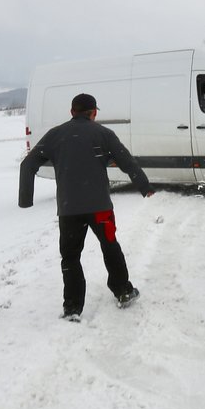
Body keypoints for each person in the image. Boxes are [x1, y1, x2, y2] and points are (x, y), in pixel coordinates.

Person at [19, 93, 155, 322]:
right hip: (100, 207)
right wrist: (144, 186)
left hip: (68, 208)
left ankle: (72, 308)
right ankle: (123, 291)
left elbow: (27, 164)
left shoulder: (55, 135)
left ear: (72, 112)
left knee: (70, 257)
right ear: (93, 113)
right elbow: (127, 161)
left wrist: (26, 200)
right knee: (110, 245)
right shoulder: (103, 134)